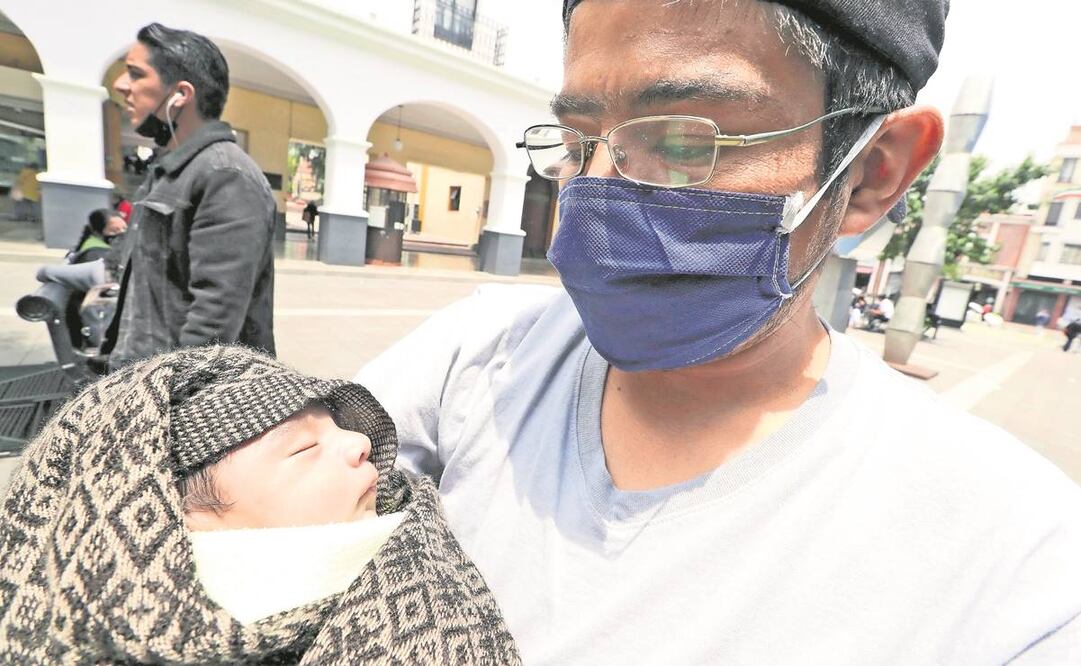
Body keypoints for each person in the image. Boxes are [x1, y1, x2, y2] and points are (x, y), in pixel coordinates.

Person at [356, 1, 1081, 663]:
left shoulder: (1015, 562)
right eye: (578, 144)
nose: (595, 196)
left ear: (871, 173)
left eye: (683, 141)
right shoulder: (475, 358)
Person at [0, 346, 519, 664]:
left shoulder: (416, 537)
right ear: (186, 519)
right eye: (304, 448)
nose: (359, 442)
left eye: (338, 425)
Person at [103, 23, 277, 370]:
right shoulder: (169, 169)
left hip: (176, 388)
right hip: (141, 374)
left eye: (136, 74)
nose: (121, 85)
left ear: (181, 94)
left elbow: (212, 326)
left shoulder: (225, 174)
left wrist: (166, 391)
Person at [35, 207, 127, 292]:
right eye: (114, 230)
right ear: (97, 233)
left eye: (124, 228)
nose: (122, 233)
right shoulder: (96, 255)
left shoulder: (95, 245)